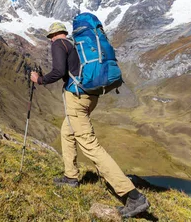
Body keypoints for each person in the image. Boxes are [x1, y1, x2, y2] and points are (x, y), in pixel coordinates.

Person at [30, 22, 150, 218]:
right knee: (67, 132)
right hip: (90, 97)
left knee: (89, 144)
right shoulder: (74, 45)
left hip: (76, 99)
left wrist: (40, 80)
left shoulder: (58, 44)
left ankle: (133, 196)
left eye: (50, 37)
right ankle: (71, 176)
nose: (51, 40)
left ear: (53, 35)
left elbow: (59, 71)